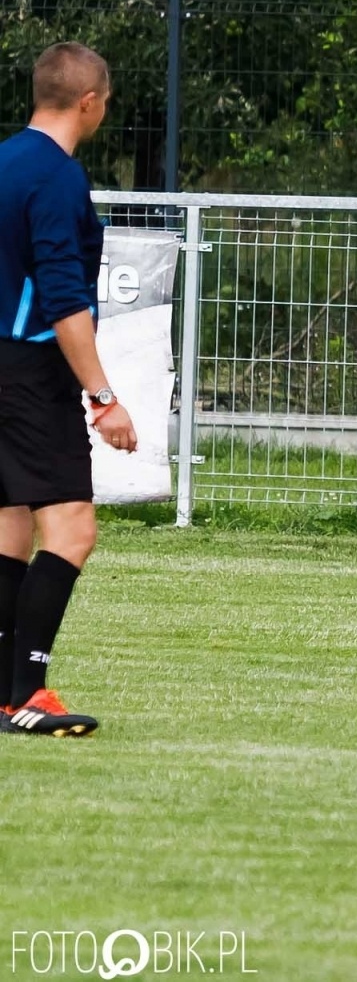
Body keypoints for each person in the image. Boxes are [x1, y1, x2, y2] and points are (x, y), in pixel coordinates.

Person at [0, 43, 137, 737]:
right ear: (90, 101)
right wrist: (102, 395)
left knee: (10, 524)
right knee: (73, 529)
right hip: (27, 372)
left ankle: (5, 694)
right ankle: (28, 693)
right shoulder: (55, 176)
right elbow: (62, 300)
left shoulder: (3, 160)